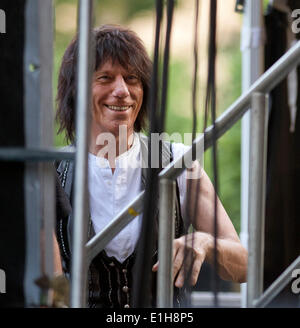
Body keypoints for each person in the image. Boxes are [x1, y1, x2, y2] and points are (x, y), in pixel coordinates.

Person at [54, 24, 247, 308]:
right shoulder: (52, 170)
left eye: (131, 78)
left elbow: (243, 267)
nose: (121, 91)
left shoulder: (179, 164)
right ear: (76, 91)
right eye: (105, 77)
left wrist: (205, 242)